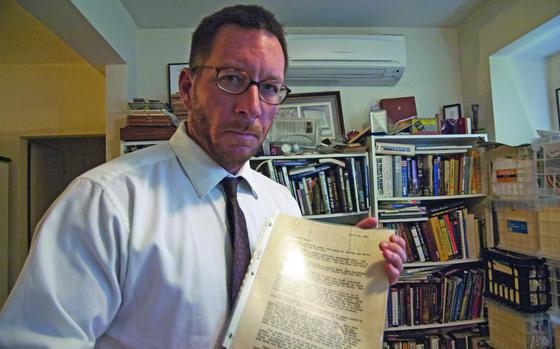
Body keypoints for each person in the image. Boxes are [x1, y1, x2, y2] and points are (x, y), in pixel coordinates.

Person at [0, 4, 406, 348]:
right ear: (188, 87)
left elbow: (288, 319)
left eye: (269, 87)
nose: (252, 106)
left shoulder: (282, 202)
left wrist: (359, 274)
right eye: (232, 79)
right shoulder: (104, 202)